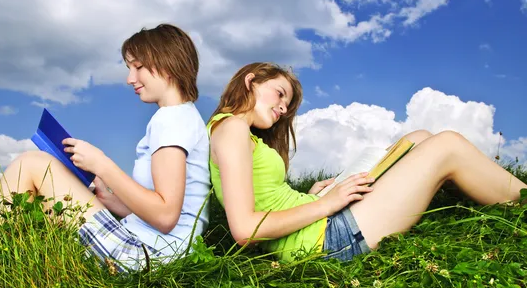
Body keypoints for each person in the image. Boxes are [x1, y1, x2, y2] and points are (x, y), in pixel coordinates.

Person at [207, 62, 527, 262]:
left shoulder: (235, 132)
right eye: (279, 94)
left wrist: (313, 195)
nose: (282, 108)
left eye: (286, 105)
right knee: (447, 146)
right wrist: (326, 205)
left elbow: (266, 198)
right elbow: (245, 229)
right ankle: (520, 202)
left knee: (418, 138)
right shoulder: (232, 128)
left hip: (319, 222)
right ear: (250, 81)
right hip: (327, 239)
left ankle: (488, 200)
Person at [0, 24, 211, 271]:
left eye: (138, 67)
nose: (130, 79)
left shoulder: (170, 119)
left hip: (145, 257)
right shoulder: (185, 118)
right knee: (47, 192)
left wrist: (103, 165)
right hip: (162, 254)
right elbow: (164, 212)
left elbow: (165, 216)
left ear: (169, 65)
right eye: (129, 68)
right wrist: (112, 199)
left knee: (31, 164)